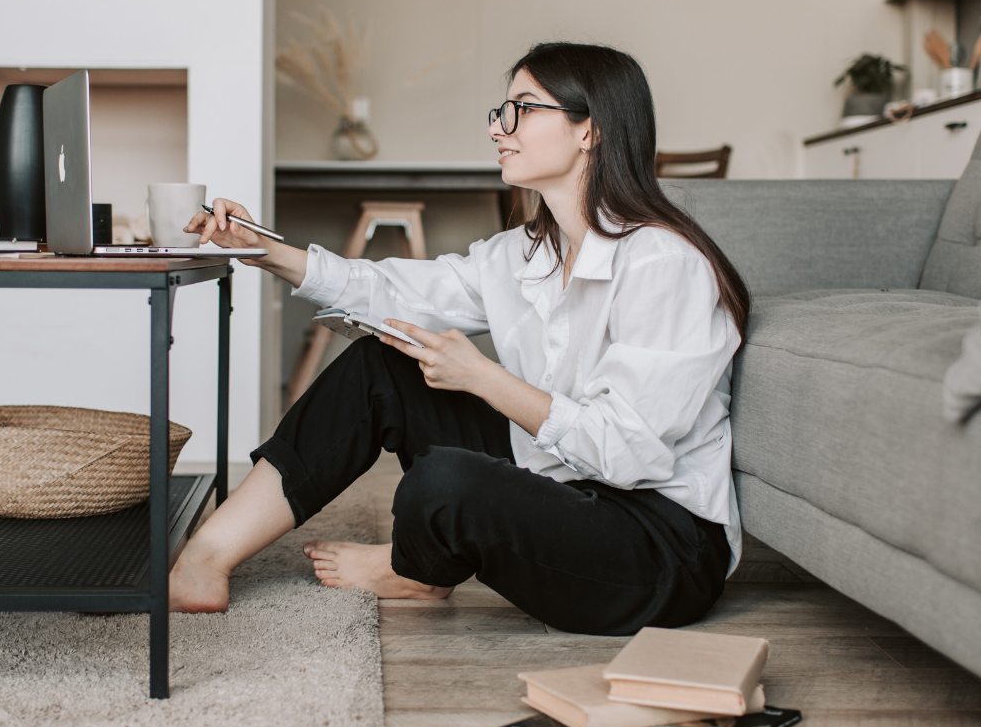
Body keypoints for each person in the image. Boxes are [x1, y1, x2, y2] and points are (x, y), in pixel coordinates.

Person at [169, 41, 750, 636]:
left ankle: (414, 568)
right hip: (565, 483)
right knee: (382, 366)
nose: (501, 128)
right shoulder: (526, 252)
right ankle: (206, 556)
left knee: (444, 484)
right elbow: (388, 291)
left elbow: (628, 455)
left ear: (589, 131)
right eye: (501, 111)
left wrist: (484, 378)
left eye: (523, 109)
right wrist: (262, 251)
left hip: (659, 544)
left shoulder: (661, 264)